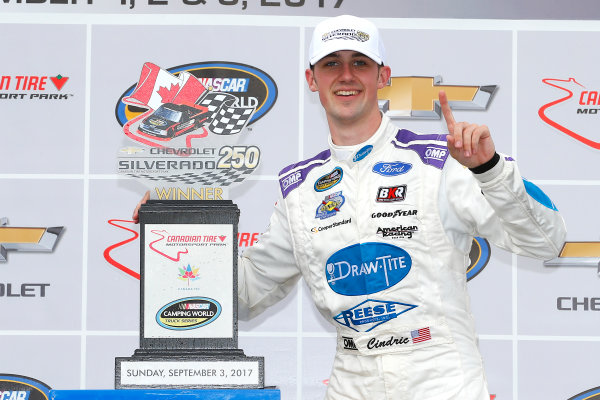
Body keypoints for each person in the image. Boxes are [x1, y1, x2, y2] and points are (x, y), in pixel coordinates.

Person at [134, 15, 566, 400]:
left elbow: (547, 242)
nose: (346, 75)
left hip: (441, 378)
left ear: (383, 76)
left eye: (360, 63)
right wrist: (179, 230)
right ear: (311, 79)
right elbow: (242, 297)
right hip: (350, 381)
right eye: (331, 64)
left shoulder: (441, 161)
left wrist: (488, 169)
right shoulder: (299, 190)